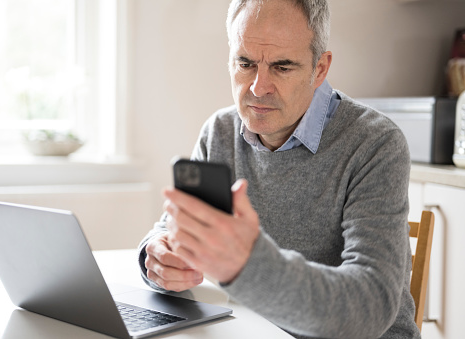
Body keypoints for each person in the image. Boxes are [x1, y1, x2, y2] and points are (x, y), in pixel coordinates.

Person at [137, 0, 421, 338]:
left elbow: (371, 307)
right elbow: (170, 231)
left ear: (320, 68)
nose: (258, 88)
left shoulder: (375, 143)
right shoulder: (219, 133)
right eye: (245, 63)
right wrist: (154, 256)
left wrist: (248, 265)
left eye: (282, 67)